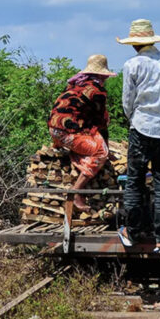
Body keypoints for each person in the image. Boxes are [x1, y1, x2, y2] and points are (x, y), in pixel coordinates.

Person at [116, 19, 160, 251]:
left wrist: (134, 118)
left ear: (134, 43)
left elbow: (128, 102)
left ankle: (132, 232)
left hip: (141, 127)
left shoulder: (132, 65)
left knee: (135, 181)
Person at [48, 54, 116, 212]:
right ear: (102, 75)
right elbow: (100, 123)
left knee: (91, 140)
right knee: (100, 153)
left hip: (54, 129)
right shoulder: (97, 91)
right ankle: (77, 191)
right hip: (67, 132)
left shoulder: (76, 85)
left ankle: (71, 151)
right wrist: (106, 148)